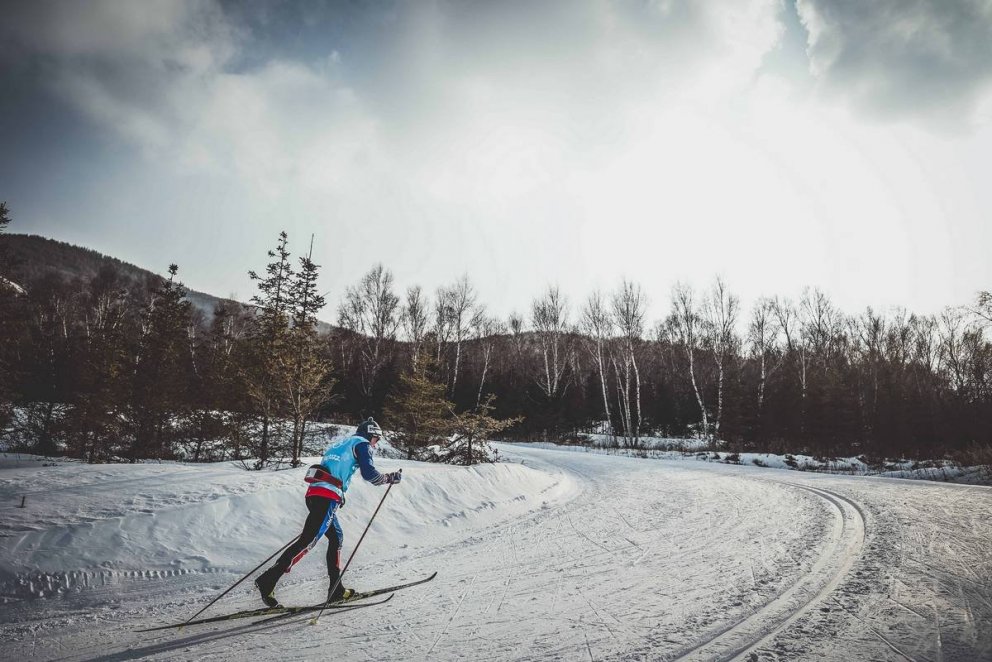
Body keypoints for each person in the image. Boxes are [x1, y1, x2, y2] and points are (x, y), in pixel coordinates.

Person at [254, 417, 401, 607]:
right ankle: (268, 579)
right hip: (327, 497)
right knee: (308, 541)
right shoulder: (362, 444)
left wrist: (340, 493)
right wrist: (390, 478)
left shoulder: (341, 444)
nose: (376, 443)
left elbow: (332, 469)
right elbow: (369, 474)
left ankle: (336, 589)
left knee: (336, 537)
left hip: (316, 494)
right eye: (376, 438)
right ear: (369, 435)